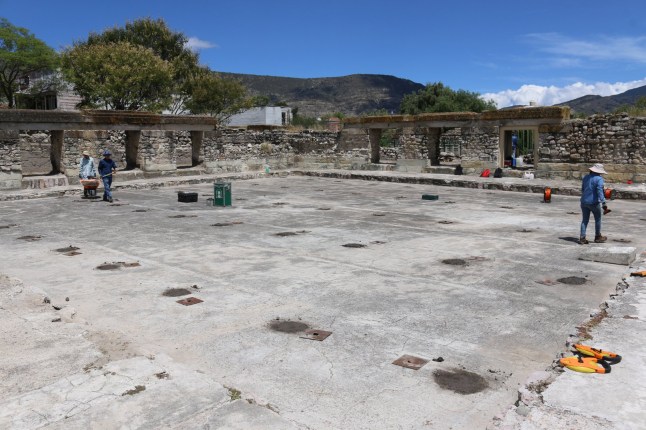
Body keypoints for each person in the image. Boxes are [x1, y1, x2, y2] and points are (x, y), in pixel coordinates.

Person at [580, 163, 609, 244]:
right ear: (599, 172)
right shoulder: (599, 179)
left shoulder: (585, 177)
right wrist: (603, 203)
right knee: (598, 219)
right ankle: (597, 237)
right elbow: (600, 191)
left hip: (584, 201)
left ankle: (582, 237)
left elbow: (582, 189)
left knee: (585, 220)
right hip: (593, 203)